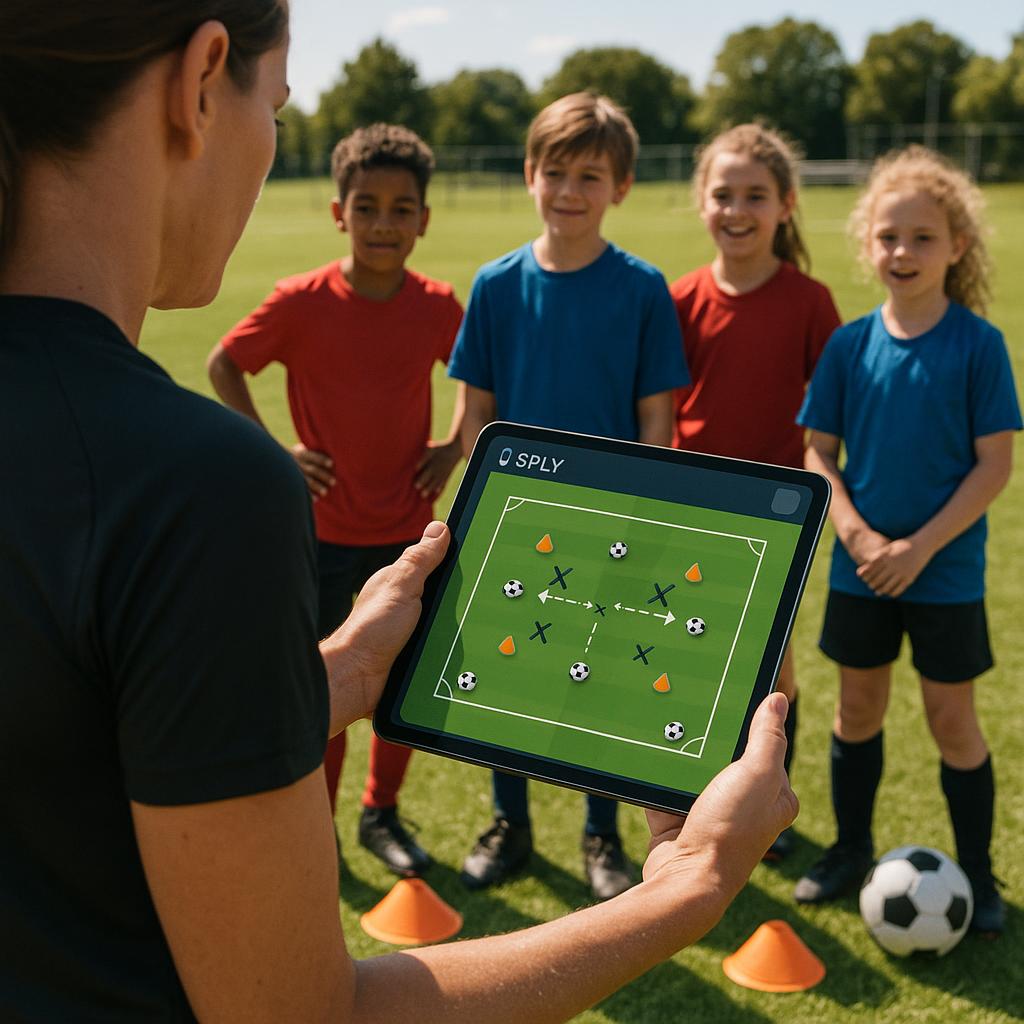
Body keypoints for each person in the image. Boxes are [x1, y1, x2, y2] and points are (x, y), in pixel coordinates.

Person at [0, 5, 797, 1018]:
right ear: (202, 80)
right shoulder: (194, 486)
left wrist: (334, 674)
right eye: (278, 106)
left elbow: (68, 748)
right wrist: (691, 883)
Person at [448, 92, 690, 901]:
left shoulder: (642, 288)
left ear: (619, 187)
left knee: (596, 676)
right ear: (530, 175)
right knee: (507, 676)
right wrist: (470, 517)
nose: (570, 190)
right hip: (514, 525)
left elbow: (658, 420)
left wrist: (645, 516)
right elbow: (476, 415)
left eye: (591, 175)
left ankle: (602, 834)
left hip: (613, 525)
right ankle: (510, 823)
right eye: (556, 172)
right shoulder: (495, 284)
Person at [207, 122, 464, 877]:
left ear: (423, 218)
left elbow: (479, 380)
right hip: (317, 531)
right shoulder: (299, 302)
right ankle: (313, 828)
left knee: (402, 680)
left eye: (401, 208)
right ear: (339, 212)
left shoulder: (439, 304)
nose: (383, 223)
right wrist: (274, 449)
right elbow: (226, 363)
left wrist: (452, 446)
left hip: (407, 534)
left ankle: (380, 814)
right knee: (322, 680)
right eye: (367, 206)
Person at [794, 145, 1020, 935]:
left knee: (951, 721)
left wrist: (919, 547)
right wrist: (856, 534)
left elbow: (996, 465)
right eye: (889, 236)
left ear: (957, 247)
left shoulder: (977, 346)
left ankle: (981, 879)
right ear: (868, 245)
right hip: (862, 569)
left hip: (943, 573)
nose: (903, 252)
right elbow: (818, 450)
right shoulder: (851, 345)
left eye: (923, 238)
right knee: (856, 710)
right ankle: (851, 848)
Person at [670, 124, 841, 862]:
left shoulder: (809, 300)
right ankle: (690, 802)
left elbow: (832, 416)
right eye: (722, 194)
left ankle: (767, 805)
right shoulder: (679, 298)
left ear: (786, 205)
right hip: (691, 509)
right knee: (687, 656)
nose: (736, 210)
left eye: (754, 196)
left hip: (776, 519)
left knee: (771, 668)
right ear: (700, 202)